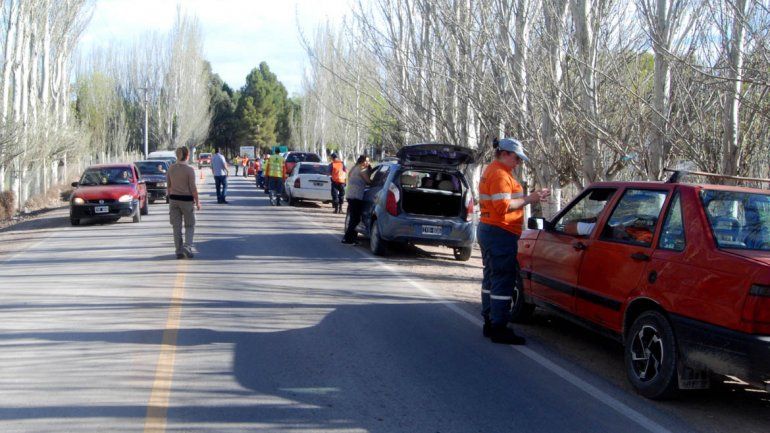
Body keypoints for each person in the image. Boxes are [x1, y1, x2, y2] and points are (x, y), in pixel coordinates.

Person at [478, 138, 550, 345]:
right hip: (500, 232)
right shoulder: (500, 174)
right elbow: (503, 207)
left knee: (491, 277)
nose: (518, 162)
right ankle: (499, 326)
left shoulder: (494, 170)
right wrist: (531, 198)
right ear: (505, 154)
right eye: (517, 158)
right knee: (503, 279)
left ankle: (490, 321)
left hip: (491, 230)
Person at [166, 146, 201, 259]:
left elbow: (169, 186)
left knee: (176, 227)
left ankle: (179, 250)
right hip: (186, 200)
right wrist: (197, 201)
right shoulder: (189, 170)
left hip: (174, 200)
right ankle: (187, 246)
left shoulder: (171, 168)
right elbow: (193, 188)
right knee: (190, 225)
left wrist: (170, 198)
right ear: (187, 156)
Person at [342, 155, 371, 244]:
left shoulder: (354, 168)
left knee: (354, 218)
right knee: (355, 219)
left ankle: (351, 238)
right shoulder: (362, 170)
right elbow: (369, 181)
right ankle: (347, 238)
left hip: (350, 195)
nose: (367, 163)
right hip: (356, 196)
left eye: (368, 161)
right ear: (361, 161)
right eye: (366, 161)